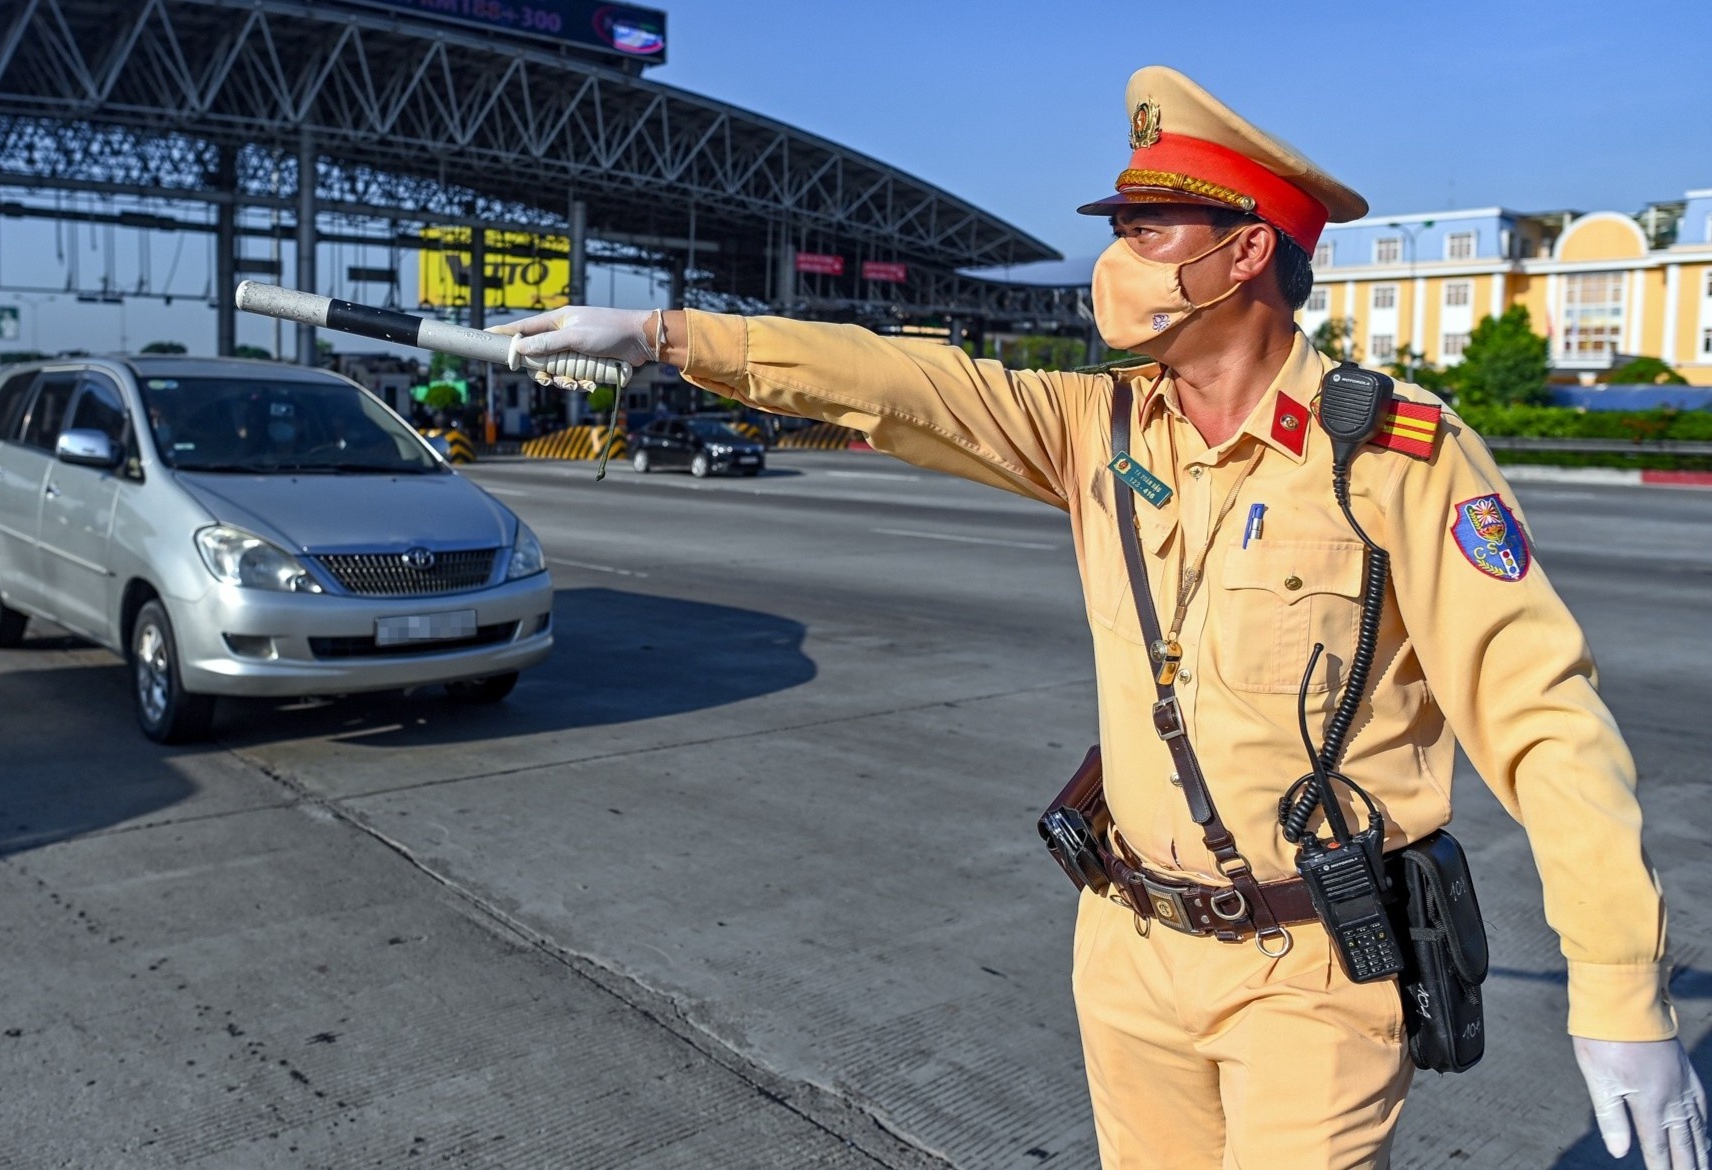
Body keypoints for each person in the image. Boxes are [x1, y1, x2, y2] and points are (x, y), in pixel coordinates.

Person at [496, 66, 1707, 1170]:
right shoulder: (1103, 428)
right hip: (1127, 947)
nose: (1115, 260)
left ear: (1244, 254)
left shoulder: (1391, 453)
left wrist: (1619, 993)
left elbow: (1544, 720)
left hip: (1314, 972)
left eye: (1147, 230)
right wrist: (664, 335)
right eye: (1117, 230)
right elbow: (910, 380)